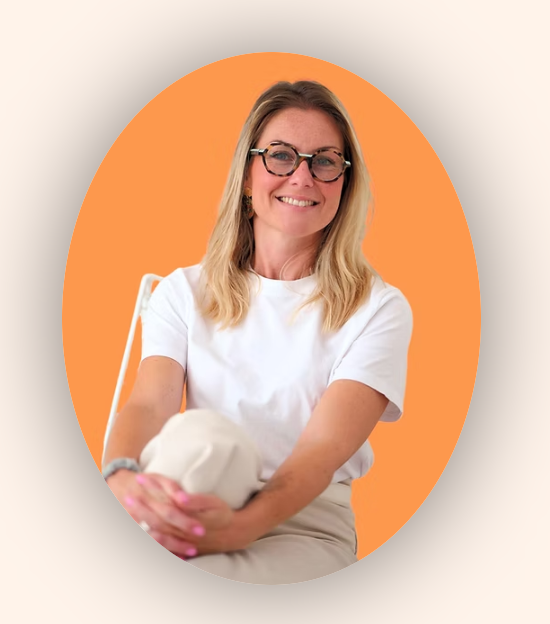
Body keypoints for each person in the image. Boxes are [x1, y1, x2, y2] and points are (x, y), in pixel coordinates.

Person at [103, 80, 413, 584]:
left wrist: (238, 530)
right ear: (248, 175)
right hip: (196, 489)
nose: (303, 176)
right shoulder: (182, 291)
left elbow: (320, 452)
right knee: (205, 438)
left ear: (344, 184)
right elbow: (148, 406)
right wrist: (119, 475)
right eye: (281, 156)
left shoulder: (377, 308)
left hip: (305, 525)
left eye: (325, 161)